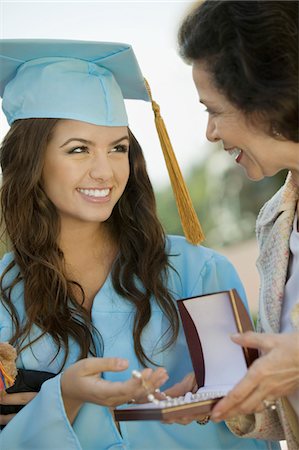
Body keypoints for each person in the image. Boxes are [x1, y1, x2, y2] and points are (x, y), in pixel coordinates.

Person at [0, 39, 277, 450]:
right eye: (78, 149)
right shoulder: (5, 292)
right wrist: (66, 398)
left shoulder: (196, 272)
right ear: (31, 160)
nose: (105, 171)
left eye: (118, 148)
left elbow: (250, 426)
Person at [178, 1, 299, 449]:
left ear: (265, 101)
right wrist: (237, 395)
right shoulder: (275, 223)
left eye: (214, 110)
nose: (210, 133)